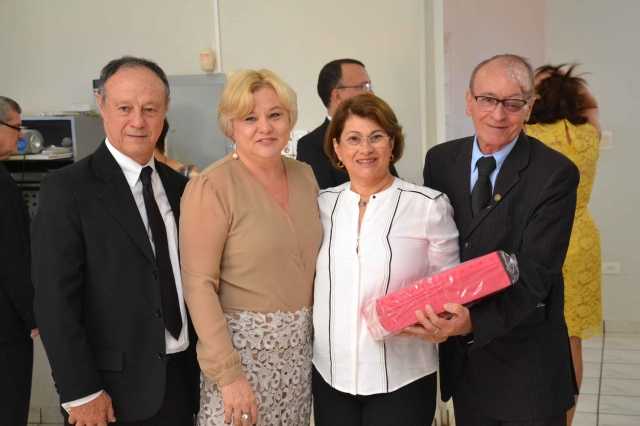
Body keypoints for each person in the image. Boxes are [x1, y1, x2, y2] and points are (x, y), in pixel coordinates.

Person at [32, 56, 200, 425]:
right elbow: (54, 302)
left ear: (165, 109)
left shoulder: (180, 188)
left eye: (150, 109)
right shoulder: (68, 189)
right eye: (125, 108)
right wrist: (81, 393)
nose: (138, 121)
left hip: (179, 384)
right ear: (101, 105)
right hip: (107, 394)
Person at [420, 54, 579, 425]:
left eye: (512, 103)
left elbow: (535, 272)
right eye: (487, 99)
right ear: (469, 102)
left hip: (526, 367)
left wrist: (472, 322)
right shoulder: (440, 160)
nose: (497, 114)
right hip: (466, 366)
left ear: (529, 108)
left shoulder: (555, 173)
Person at [180, 69, 322, 426]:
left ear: (290, 120)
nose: (265, 127)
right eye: (249, 118)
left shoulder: (305, 176)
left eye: (275, 115)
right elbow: (198, 286)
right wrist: (229, 375)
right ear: (231, 127)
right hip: (239, 360)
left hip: (298, 359)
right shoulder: (211, 186)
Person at [312, 94, 459, 426]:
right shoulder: (321, 205)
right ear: (337, 148)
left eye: (376, 137)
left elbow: (450, 287)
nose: (365, 149)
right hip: (331, 375)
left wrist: (441, 324)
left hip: (404, 378)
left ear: (392, 144)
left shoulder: (427, 206)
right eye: (353, 139)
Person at [524, 63, 602, 426]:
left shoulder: (526, 134)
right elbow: (592, 104)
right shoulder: (589, 133)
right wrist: (566, 83)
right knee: (571, 340)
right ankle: (565, 421)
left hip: (540, 238)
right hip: (581, 238)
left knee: (531, 333)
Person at [296, 59, 398, 189]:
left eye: (370, 86)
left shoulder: (381, 131)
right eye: (364, 86)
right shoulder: (310, 144)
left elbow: (392, 183)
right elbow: (322, 196)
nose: (371, 93)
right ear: (337, 96)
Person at [0, 96, 38, 426]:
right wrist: (33, 313)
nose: (20, 136)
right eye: (16, 127)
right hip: (6, 323)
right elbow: (12, 255)